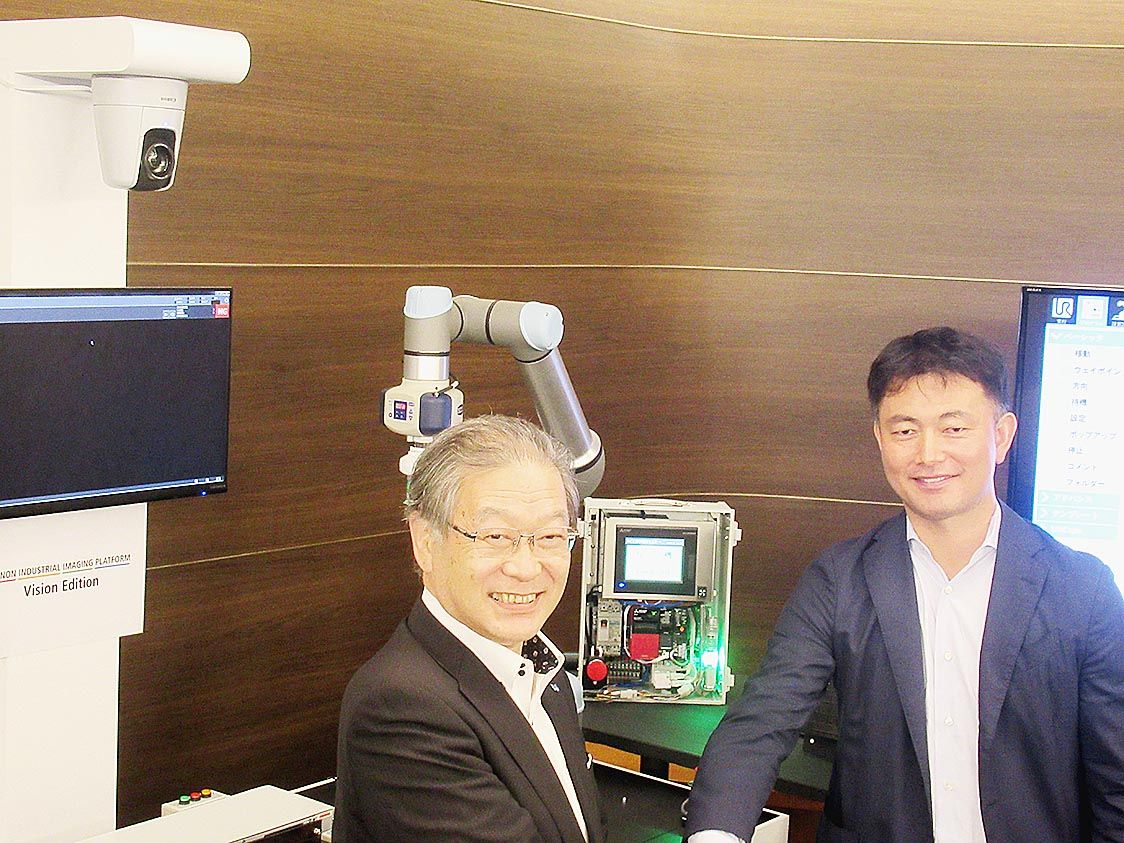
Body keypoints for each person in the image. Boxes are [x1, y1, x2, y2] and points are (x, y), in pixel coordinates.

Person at [685, 327, 1124, 842]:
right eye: (905, 430)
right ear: (879, 438)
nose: (929, 455)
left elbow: (1115, 780)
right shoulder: (838, 579)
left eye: (954, 428)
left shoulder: (1083, 589)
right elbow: (761, 724)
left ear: (1002, 436)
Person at [334, 414, 603, 843]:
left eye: (550, 537)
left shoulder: (540, 670)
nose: (526, 568)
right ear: (425, 541)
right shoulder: (402, 709)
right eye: (495, 537)